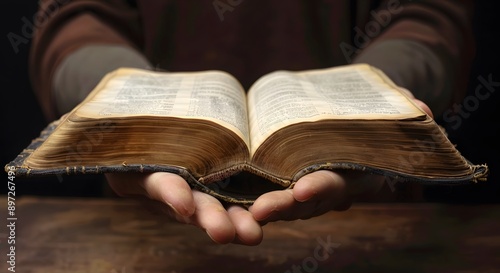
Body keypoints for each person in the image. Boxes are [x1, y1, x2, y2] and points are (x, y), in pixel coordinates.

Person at [29, 0, 474, 245]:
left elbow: (427, 15)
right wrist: (121, 108)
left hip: (372, 241)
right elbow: (76, 17)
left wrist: (374, 106)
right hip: (138, 241)